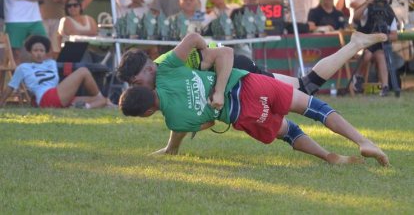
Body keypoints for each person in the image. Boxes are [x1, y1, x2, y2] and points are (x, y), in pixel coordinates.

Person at [119, 33, 389, 167]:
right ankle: (355, 44)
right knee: (304, 94)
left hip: (239, 72)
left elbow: (221, 53)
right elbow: (181, 122)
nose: (136, 86)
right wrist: (173, 146)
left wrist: (213, 86)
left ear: (147, 68)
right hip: (237, 88)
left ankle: (355, 44)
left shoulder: (166, 67)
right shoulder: (163, 78)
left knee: (306, 88)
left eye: (136, 81)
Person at [0, 35, 109, 109]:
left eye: (41, 51)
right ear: (30, 52)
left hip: (57, 95)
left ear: (46, 52)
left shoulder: (51, 63)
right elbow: (11, 85)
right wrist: (1, 102)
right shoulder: (23, 67)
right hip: (45, 98)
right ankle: (99, 99)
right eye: (35, 50)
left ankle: (85, 108)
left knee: (102, 101)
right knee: (83, 71)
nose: (39, 54)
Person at [352, 0, 398, 96]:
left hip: (380, 45)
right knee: (367, 54)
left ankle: (385, 86)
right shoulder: (366, 8)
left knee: (381, 55)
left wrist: (383, 37)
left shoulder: (388, 12)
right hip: (365, 43)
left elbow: (394, 35)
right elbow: (355, 17)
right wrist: (367, 3)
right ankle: (359, 77)